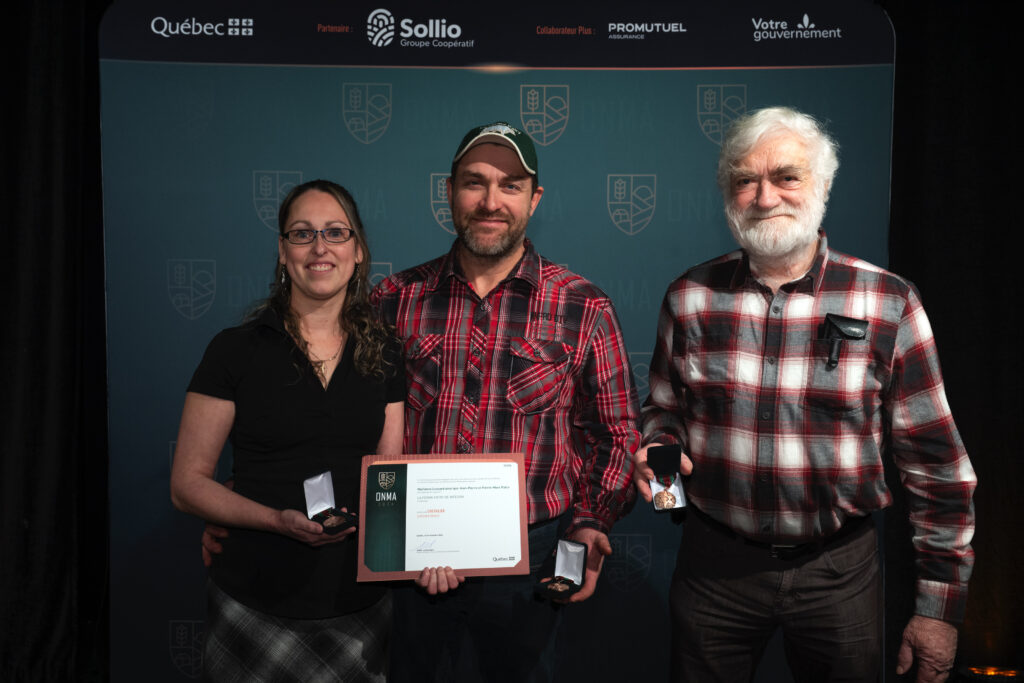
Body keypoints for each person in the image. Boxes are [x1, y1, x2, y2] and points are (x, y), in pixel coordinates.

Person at [634, 107, 975, 683]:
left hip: (838, 573)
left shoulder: (889, 302)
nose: (765, 198)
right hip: (712, 569)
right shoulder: (690, 296)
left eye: (786, 176)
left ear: (822, 185)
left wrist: (938, 611)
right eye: (745, 180)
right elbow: (665, 415)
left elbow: (937, 467)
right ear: (727, 194)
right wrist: (663, 478)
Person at [369, 121, 641, 682]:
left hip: (534, 558)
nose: (491, 201)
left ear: (534, 199)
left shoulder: (583, 305)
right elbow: (349, 425)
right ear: (448, 191)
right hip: (411, 557)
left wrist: (591, 523)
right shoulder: (393, 300)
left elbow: (616, 433)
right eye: (475, 182)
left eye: (510, 185)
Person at [171, 179, 405, 681]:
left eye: (336, 232)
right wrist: (277, 521)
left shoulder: (386, 351)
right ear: (283, 252)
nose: (319, 247)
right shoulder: (234, 350)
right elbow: (187, 485)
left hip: (357, 605)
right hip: (254, 599)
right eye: (302, 234)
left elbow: (388, 477)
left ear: (358, 251)